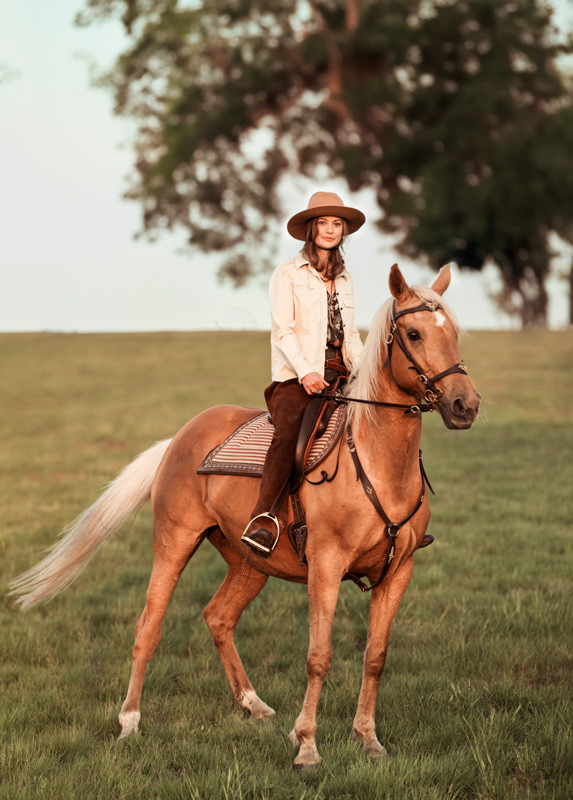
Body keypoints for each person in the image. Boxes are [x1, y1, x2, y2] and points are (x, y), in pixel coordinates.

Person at [241, 191, 365, 556]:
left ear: (343, 231)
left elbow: (352, 336)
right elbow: (284, 332)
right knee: (290, 431)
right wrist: (308, 372)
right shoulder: (288, 274)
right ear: (311, 229)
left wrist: (366, 371)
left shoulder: (344, 278)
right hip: (297, 376)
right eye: (323, 223)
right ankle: (263, 516)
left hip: (341, 371)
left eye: (337, 224)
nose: (330, 230)